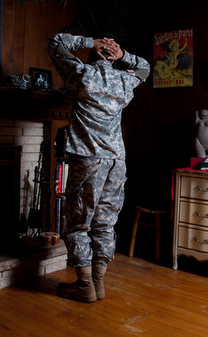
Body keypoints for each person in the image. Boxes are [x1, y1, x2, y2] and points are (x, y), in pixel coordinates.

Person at [48, 33, 150, 303]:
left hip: (88, 159)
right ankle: (98, 283)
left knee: (78, 222)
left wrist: (89, 43)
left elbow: (56, 42)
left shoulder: (80, 73)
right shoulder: (124, 80)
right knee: (105, 223)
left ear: (92, 55)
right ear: (112, 59)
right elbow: (145, 68)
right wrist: (122, 54)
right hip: (117, 161)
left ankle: (84, 286)